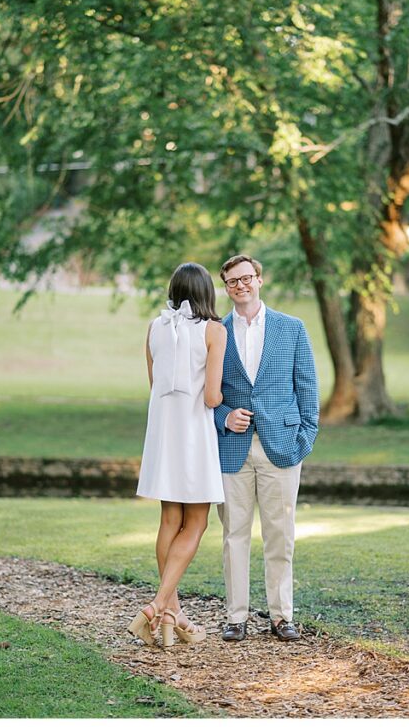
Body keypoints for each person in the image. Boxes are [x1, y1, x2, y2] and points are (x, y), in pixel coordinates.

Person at [213, 254, 319, 642]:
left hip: (283, 447)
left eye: (246, 278)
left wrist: (304, 439)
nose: (239, 286)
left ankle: (281, 616)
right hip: (231, 449)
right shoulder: (215, 333)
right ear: (225, 287)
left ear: (259, 279)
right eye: (231, 282)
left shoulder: (292, 328)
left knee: (280, 533)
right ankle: (235, 617)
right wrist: (223, 416)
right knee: (233, 535)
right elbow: (203, 394)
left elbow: (307, 389)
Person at [129, 262, 227, 648]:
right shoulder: (214, 330)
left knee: (170, 518)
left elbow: (155, 386)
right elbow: (212, 396)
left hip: (162, 434)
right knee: (197, 522)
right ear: (207, 293)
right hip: (194, 434)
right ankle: (157, 608)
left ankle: (173, 614)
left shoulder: (155, 327)